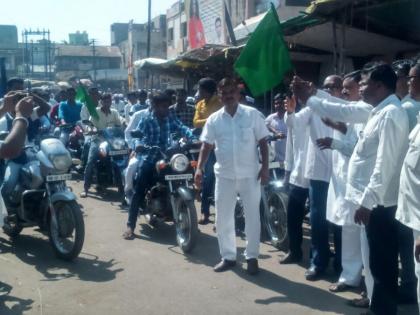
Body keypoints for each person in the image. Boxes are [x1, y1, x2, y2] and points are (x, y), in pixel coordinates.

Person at [302, 63, 408, 315]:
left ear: (380, 86)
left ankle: (383, 310)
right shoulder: (377, 111)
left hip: (378, 205)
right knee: (375, 262)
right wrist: (313, 98)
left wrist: (367, 202)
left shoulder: (391, 114)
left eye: (366, 83)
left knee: (382, 265)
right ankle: (378, 306)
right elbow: (343, 109)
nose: (362, 88)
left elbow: (385, 165)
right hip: (371, 203)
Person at [194, 78, 269, 275]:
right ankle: (228, 257)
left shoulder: (253, 115)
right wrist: (199, 168)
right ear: (219, 95)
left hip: (250, 175)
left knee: (252, 216)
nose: (228, 96)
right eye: (223, 93)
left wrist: (265, 168)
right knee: (223, 218)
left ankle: (252, 257)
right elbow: (207, 145)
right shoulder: (214, 119)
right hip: (225, 176)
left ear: (238, 93)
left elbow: (263, 142)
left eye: (231, 92)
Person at [312, 71, 368, 296]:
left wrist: (334, 142)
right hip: (344, 182)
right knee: (348, 231)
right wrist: (339, 129)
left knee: (364, 237)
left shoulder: (365, 111)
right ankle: (350, 277)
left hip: (361, 187)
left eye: (349, 87)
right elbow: (350, 136)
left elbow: (358, 150)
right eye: (343, 88)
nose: (344, 92)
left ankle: (369, 283)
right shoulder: (350, 114)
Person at [285, 75, 340, 281]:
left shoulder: (344, 107)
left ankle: (342, 265)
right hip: (316, 171)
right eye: (326, 86)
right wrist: (290, 111)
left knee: (338, 221)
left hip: (339, 171)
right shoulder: (311, 109)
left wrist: (316, 92)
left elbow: (332, 102)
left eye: (335, 86)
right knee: (317, 221)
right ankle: (318, 262)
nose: (330, 90)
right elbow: (294, 124)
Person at [123, 92, 195, 239]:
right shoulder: (146, 120)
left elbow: (182, 128)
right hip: (150, 157)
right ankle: (130, 226)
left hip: (168, 157)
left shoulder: (170, 117)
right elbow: (139, 136)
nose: (166, 109)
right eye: (163, 106)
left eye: (167, 106)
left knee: (185, 171)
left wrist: (193, 138)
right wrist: (139, 145)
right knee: (139, 190)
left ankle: (183, 212)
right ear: (154, 106)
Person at [396, 63, 420, 304]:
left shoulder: (405, 108)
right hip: (410, 204)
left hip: (417, 212)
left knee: (408, 250)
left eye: (412, 78)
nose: (409, 82)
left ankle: (408, 288)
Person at [80, 93, 122, 198]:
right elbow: (89, 126)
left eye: (109, 101)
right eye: (105, 101)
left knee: (119, 161)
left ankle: (121, 187)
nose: (108, 103)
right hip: (97, 140)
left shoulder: (115, 112)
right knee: (90, 162)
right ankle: (85, 188)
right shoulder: (95, 112)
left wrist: (123, 125)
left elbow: (119, 124)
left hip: (111, 141)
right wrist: (92, 130)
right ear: (101, 102)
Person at [194, 78, 223, 225]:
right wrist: (212, 119)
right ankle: (205, 213)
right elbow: (195, 122)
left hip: (222, 145)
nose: (199, 92)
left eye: (201, 90)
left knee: (222, 181)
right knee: (209, 179)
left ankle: (222, 218)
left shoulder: (220, 102)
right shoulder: (199, 104)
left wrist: (207, 119)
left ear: (208, 90)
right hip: (207, 145)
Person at [265, 93, 287, 168]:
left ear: (285, 103)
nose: (277, 105)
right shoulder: (271, 118)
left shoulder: (291, 117)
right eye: (276, 103)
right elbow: (264, 126)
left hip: (289, 159)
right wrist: (275, 132)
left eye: (280, 103)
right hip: (274, 160)